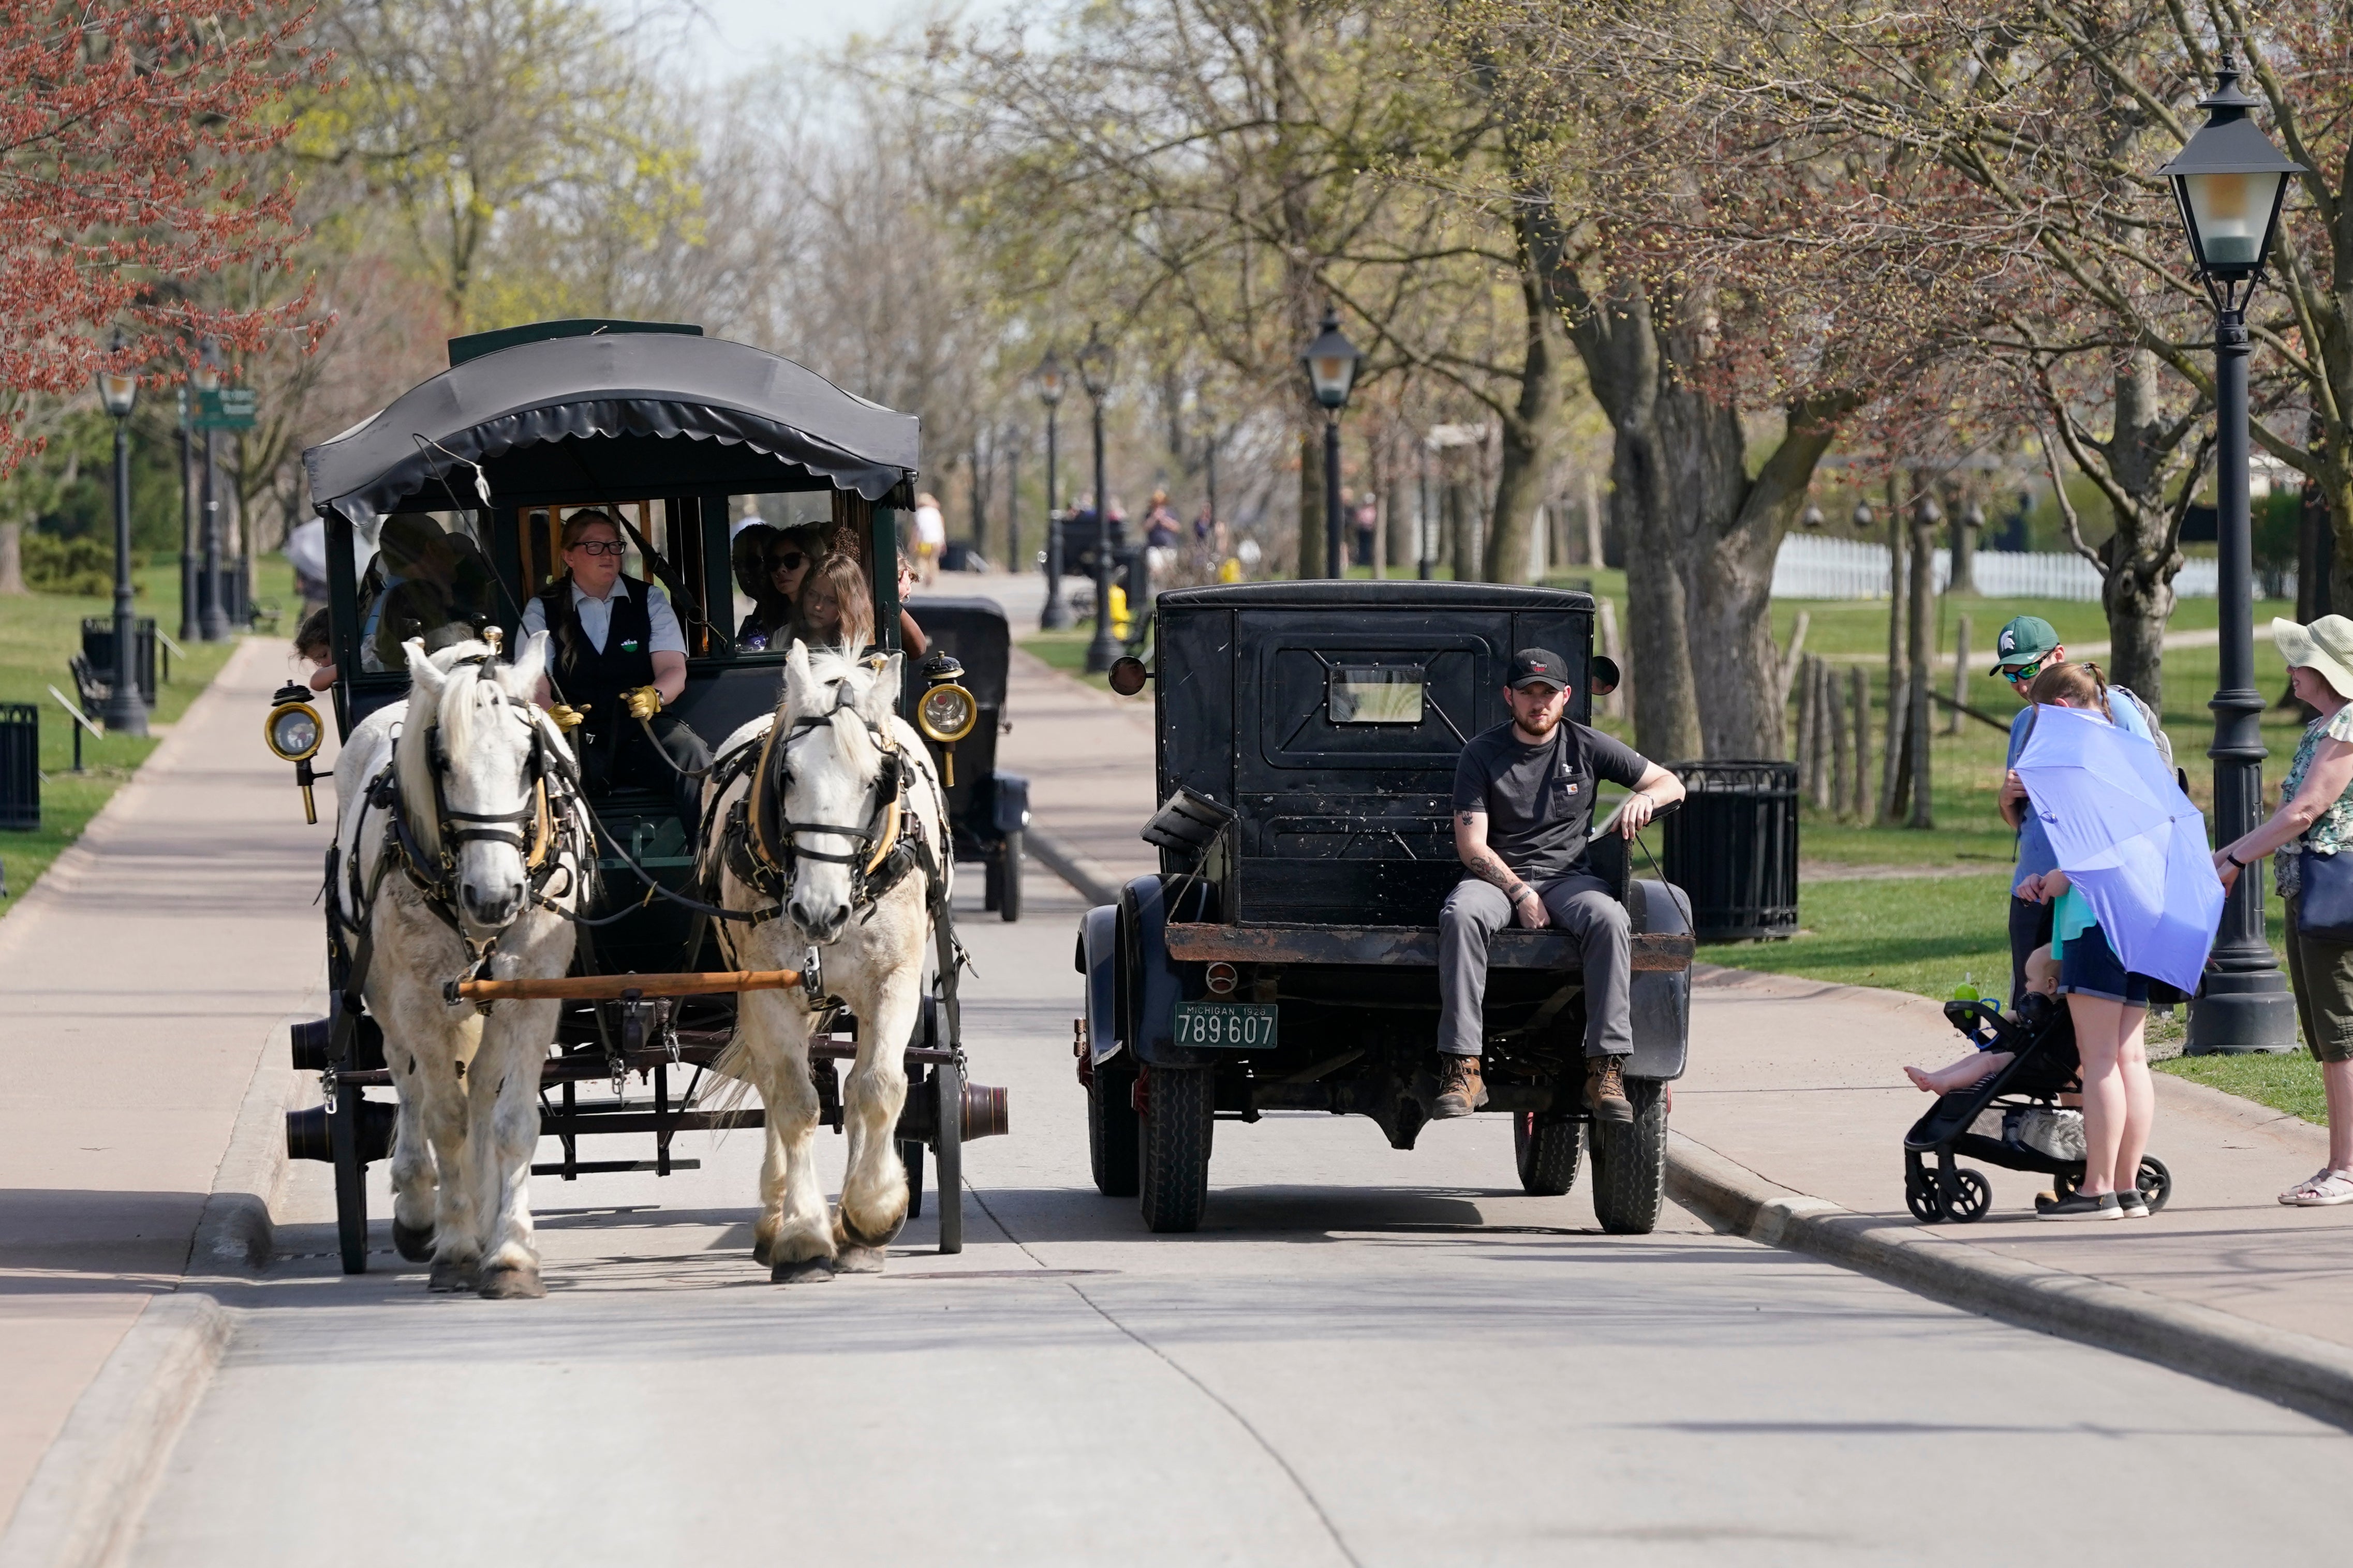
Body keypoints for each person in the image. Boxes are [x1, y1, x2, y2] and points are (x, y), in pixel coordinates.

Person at [1438, 648, 1686, 1121]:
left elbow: (1670, 784)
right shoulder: (1482, 753)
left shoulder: (1588, 745)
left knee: (1611, 917)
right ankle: (1462, 1065)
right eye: (1528, 693)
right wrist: (1520, 892)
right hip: (1497, 880)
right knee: (1461, 913)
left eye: (1547, 693)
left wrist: (1643, 804)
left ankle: (1605, 1067)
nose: (1538, 703)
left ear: (1566, 696)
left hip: (1570, 878)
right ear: (1508, 697)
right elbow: (1472, 846)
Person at [2213, 615, 2353, 1206]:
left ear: (2323, 669)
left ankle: (2346, 1168)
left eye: (2297, 660)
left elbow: (2305, 810)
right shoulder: (2326, 725)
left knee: (2340, 1031)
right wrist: (2226, 852)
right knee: (2328, 1034)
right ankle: (2338, 1162)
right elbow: (2291, 813)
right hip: (2311, 891)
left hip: (2335, 894)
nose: (2288, 670)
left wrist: (2235, 860)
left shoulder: (2347, 725)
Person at [2015, 661, 2159, 1221]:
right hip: (2138, 917)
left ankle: (2096, 1186)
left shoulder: (2082, 762)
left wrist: (2052, 881)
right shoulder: (2132, 753)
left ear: (2063, 710)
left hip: (2093, 919)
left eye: (2040, 719)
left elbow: (2092, 851)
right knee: (2131, 1057)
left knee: (2098, 1058)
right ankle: (2127, 1187)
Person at [1993, 615, 2165, 1007]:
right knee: (2031, 1007)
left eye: (2028, 669)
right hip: (2030, 890)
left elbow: (2149, 794)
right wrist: (2006, 801)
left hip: (2087, 891)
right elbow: (2024, 824)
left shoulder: (2113, 708)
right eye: (2010, 675)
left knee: (2085, 1013)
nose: (2020, 684)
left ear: (2058, 655)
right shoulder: (2023, 722)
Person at [522, 509, 712, 844]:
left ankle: (712, 868)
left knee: (692, 755)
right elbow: (532, 679)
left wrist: (656, 695)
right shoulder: (543, 607)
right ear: (569, 556)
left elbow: (673, 669)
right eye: (594, 547)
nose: (608, 555)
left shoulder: (649, 599)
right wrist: (549, 713)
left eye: (614, 546)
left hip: (641, 730)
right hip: (574, 736)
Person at [1906, 946, 2056, 1094]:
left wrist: (2014, 1016)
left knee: (1988, 1063)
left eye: (2030, 980)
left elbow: (2038, 1029)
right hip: (2029, 1057)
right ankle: (1934, 1077)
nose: (2026, 985)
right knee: (1977, 1058)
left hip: (2037, 1064)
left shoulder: (2050, 1014)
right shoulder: (2049, 1010)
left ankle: (1946, 1083)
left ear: (2050, 985)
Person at [795, 552, 877, 654]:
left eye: (831, 601)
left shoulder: (862, 647)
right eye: (813, 595)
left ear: (849, 606)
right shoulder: (784, 636)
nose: (818, 606)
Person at [292, 606, 336, 692]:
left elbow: (316, 683)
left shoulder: (364, 659)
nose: (324, 665)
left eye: (324, 655)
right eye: (318, 662)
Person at [912, 492, 946, 584]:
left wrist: (914, 542)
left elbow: (917, 529)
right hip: (936, 541)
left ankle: (926, 575)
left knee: (922, 560)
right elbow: (941, 527)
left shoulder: (919, 513)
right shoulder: (936, 512)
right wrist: (943, 541)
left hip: (924, 541)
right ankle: (932, 576)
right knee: (933, 560)